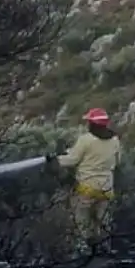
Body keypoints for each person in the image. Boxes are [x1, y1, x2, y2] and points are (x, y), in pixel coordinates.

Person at [48, 108, 121, 252]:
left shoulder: (85, 139)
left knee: (82, 222)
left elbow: (72, 160)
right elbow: (118, 161)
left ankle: (83, 251)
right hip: (107, 188)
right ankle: (105, 250)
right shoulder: (114, 140)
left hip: (86, 188)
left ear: (92, 123)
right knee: (103, 222)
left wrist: (55, 159)